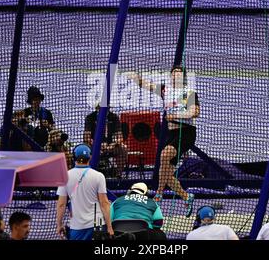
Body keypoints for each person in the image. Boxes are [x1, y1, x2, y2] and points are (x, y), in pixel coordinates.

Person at [128, 65, 200, 216]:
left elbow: (194, 113)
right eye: (174, 74)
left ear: (183, 77)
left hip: (185, 133)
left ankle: (159, 193)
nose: (176, 76)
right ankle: (186, 197)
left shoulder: (189, 93)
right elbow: (146, 85)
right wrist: (135, 77)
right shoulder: (165, 90)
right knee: (166, 169)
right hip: (171, 134)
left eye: (179, 74)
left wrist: (175, 116)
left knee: (164, 156)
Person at [56, 144, 114, 240]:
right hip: (97, 223)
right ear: (90, 157)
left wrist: (59, 224)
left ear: (74, 157)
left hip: (77, 226)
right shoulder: (98, 176)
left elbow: (61, 204)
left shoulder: (65, 176)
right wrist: (109, 227)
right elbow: (104, 203)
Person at [84, 104, 128, 178]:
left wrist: (112, 145)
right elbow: (86, 138)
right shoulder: (90, 117)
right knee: (85, 149)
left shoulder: (114, 117)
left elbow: (120, 137)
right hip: (94, 147)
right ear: (97, 108)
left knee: (123, 148)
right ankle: (90, 175)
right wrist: (97, 145)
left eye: (107, 108)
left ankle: (118, 174)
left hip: (111, 146)